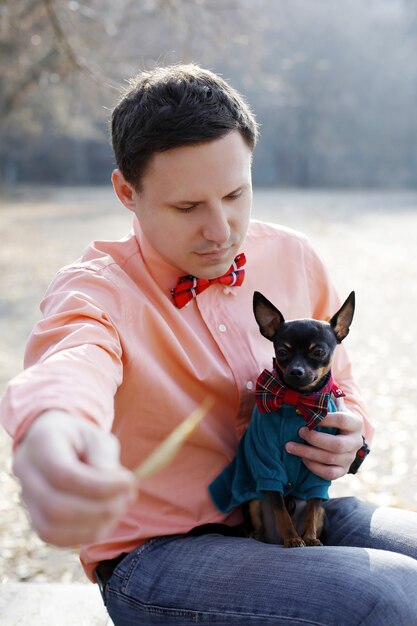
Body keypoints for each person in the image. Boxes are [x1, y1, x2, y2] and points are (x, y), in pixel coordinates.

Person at [1, 64, 416, 625]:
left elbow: (342, 382)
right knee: (387, 597)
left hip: (296, 503)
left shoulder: (294, 255)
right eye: (188, 207)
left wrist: (353, 435)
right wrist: (56, 428)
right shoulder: (97, 288)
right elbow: (72, 363)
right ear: (127, 191)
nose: (220, 229)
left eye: (234, 194)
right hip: (160, 553)